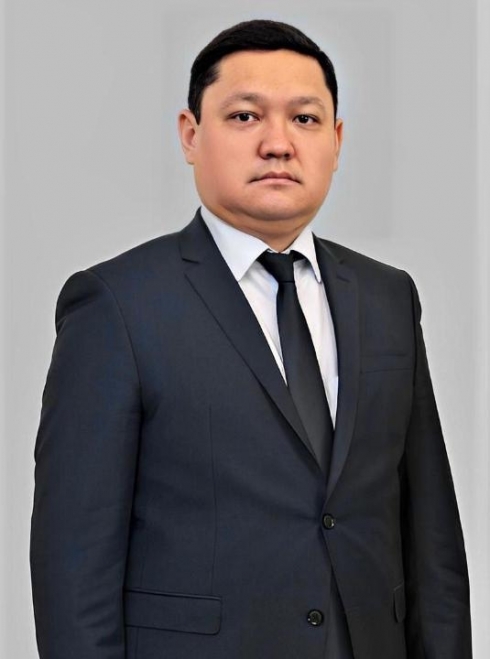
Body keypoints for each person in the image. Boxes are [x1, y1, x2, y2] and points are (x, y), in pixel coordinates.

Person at [29, 19, 472, 659]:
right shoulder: (117, 306)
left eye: (305, 119)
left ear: (336, 141)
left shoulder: (388, 298)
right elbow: (74, 568)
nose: (278, 144)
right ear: (191, 134)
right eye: (244, 116)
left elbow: (433, 542)